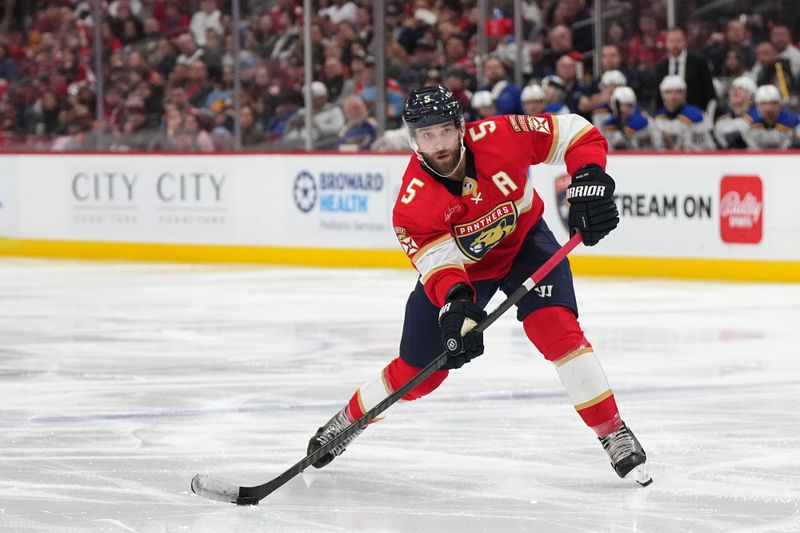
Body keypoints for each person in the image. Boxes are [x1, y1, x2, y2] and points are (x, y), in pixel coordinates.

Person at [307, 85, 650, 486]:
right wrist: (455, 304)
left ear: (460, 127)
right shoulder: (411, 204)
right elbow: (438, 266)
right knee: (420, 372)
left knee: (556, 329)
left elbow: (577, 132)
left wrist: (588, 175)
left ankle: (612, 431)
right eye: (426, 135)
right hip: (467, 272)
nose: (438, 145)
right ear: (413, 140)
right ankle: (348, 421)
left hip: (526, 244)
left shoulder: (503, 136)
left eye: (444, 131)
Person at [653, 75, 715, 151]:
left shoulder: (696, 117)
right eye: (668, 92)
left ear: (684, 94)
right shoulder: (659, 118)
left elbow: (694, 151)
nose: (673, 97)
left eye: (678, 92)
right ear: (662, 95)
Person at [600, 86, 659, 151]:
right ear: (613, 105)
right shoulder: (607, 126)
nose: (624, 109)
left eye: (629, 105)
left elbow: (659, 146)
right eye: (621, 105)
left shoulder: (647, 123)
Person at [742, 84, 800, 149]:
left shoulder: (793, 121)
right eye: (763, 104)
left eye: (772, 103)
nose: (768, 108)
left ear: (779, 104)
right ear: (757, 105)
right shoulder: (748, 121)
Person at [714, 76, 756, 149]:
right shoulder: (721, 121)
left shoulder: (757, 119)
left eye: (741, 88)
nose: (736, 91)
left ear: (751, 97)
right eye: (733, 88)